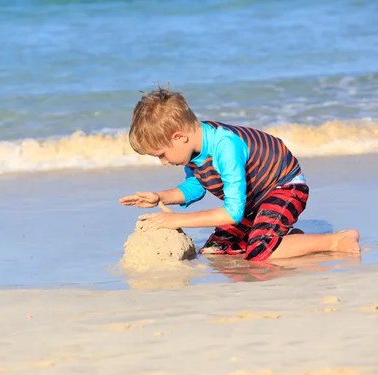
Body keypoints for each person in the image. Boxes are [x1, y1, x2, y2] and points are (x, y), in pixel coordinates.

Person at [119, 86, 360, 261]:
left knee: (260, 252)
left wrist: (178, 220)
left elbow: (232, 212)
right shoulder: (193, 147)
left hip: (284, 187)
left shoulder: (225, 147)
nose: (162, 162)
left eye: (161, 154)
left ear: (179, 137)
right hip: (254, 198)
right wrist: (159, 197)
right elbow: (196, 186)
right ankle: (284, 235)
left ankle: (335, 240)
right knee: (216, 249)